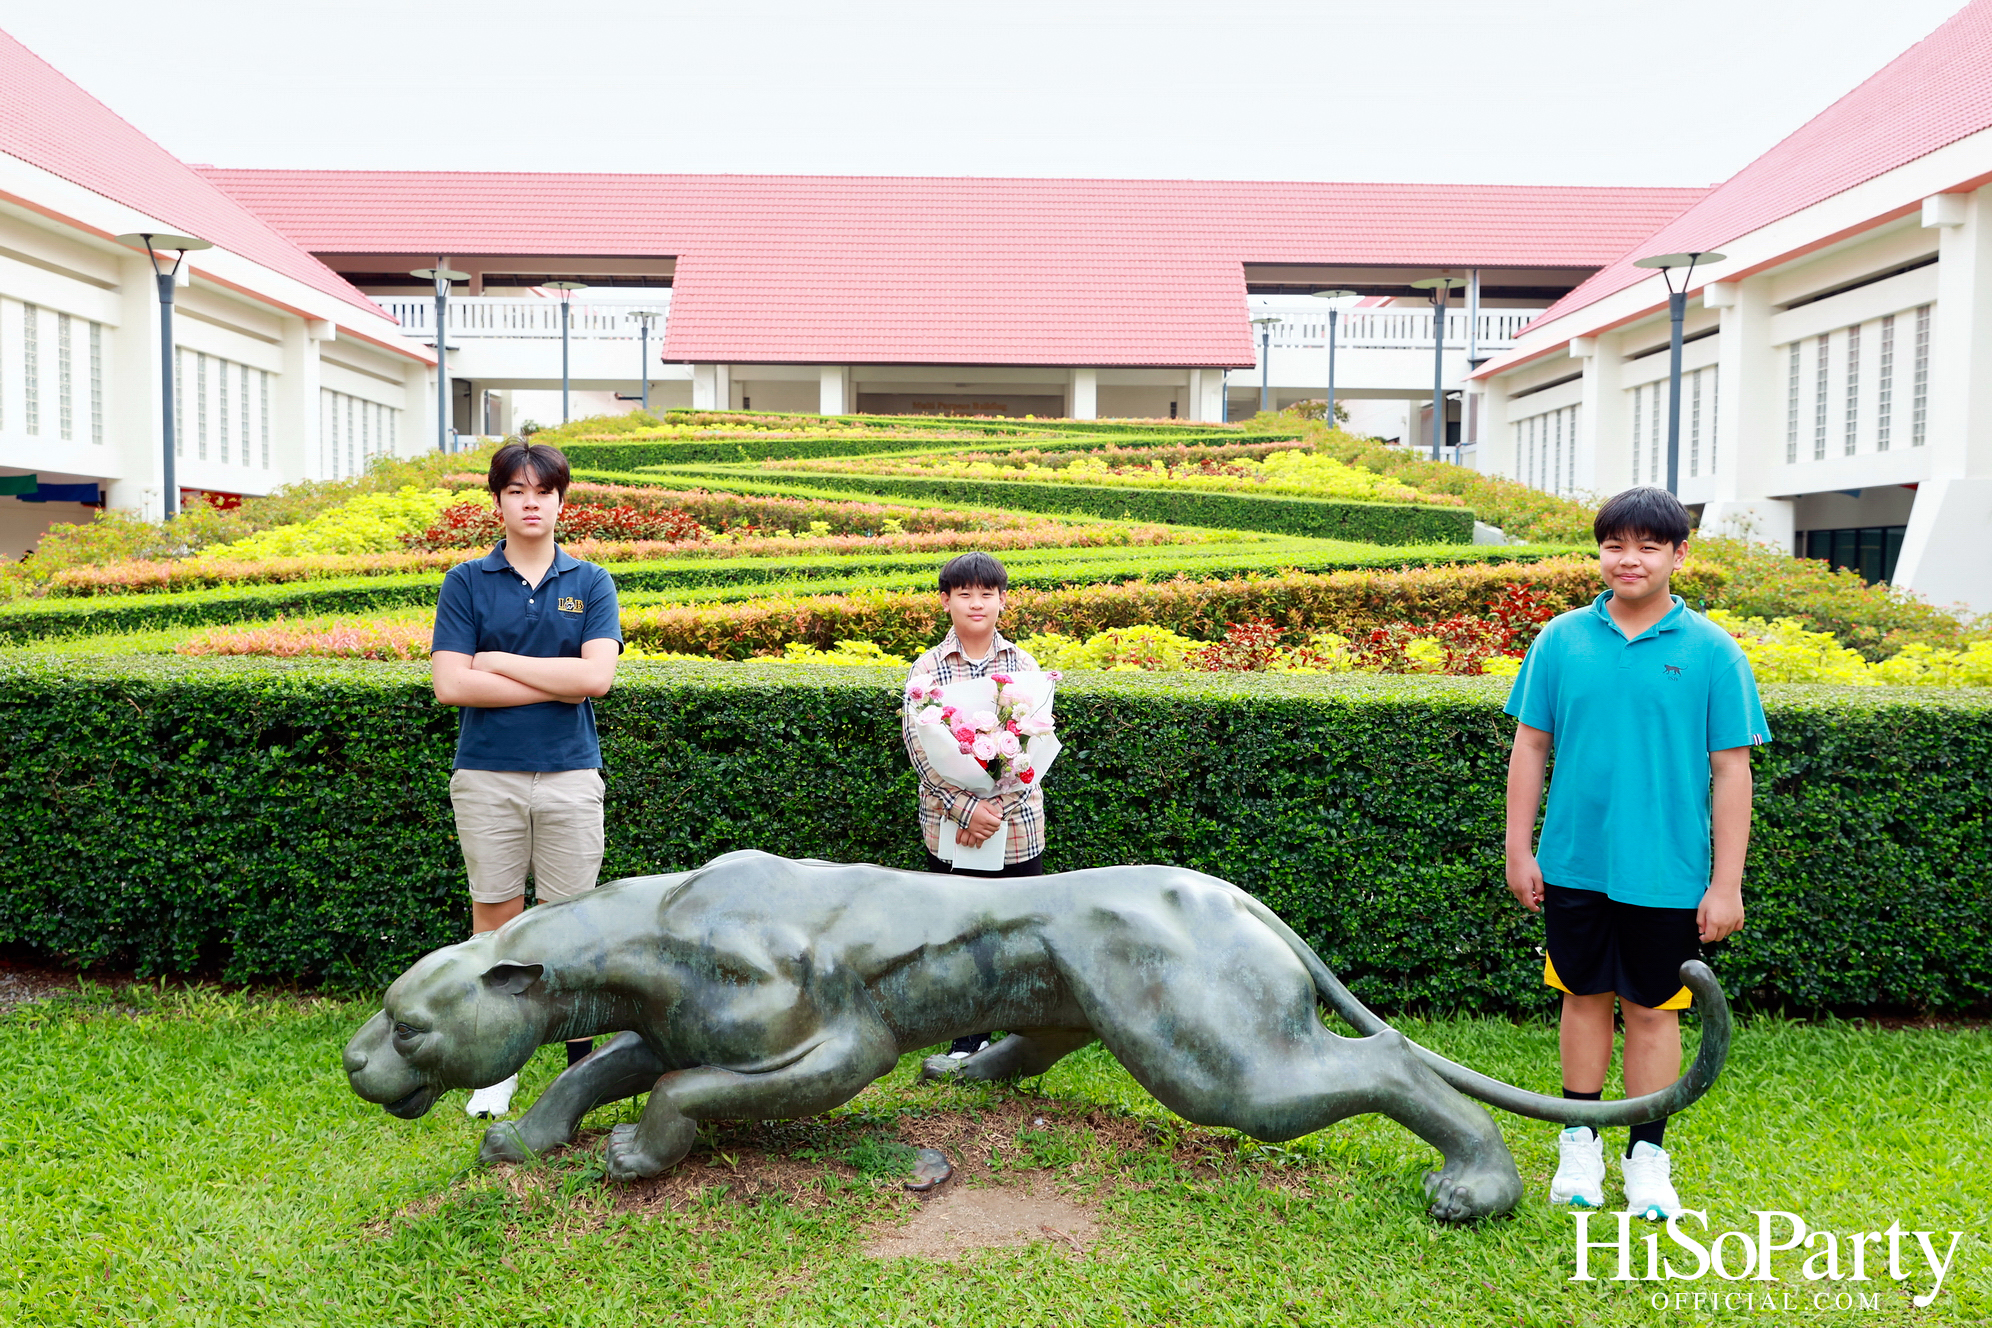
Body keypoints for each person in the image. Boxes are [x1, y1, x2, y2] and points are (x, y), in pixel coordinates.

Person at [1502, 486, 1770, 1220]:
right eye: (1615, 544)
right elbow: (1531, 745)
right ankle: (1579, 1141)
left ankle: (1647, 1155)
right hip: (1575, 863)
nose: (1630, 559)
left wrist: (1726, 885)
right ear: (1599, 552)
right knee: (1581, 997)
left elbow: (1731, 771)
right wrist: (1518, 850)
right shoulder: (1561, 640)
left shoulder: (1713, 652)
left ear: (1679, 554)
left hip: (1669, 872)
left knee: (1654, 1011)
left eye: (1649, 545)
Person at [431, 441, 623, 1117]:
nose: (531, 501)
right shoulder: (465, 581)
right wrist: (553, 681)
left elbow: (595, 679)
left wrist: (499, 662)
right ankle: (497, 1063)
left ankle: (581, 1067)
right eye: (516, 490)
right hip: (487, 776)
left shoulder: (591, 582)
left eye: (543, 491)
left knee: (573, 926)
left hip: (570, 774)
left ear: (561, 502)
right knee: (496, 917)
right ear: (498, 502)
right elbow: (452, 686)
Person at [903, 551, 1046, 1060]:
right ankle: (966, 1036)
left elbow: (1033, 749)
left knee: (1017, 930)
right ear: (946, 602)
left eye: (987, 593)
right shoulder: (928, 669)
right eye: (964, 593)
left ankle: (1015, 1037)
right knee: (958, 933)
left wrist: (993, 812)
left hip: (1015, 827)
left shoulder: (1023, 666)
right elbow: (921, 752)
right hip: (949, 825)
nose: (976, 603)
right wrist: (967, 811)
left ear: (1003, 601)